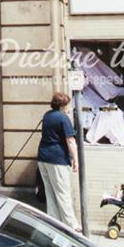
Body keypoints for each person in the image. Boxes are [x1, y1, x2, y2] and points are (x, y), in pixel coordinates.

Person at [36, 92, 80, 232]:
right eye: (67, 104)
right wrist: (76, 160)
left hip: (43, 158)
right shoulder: (63, 118)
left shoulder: (47, 115)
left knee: (50, 193)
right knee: (63, 193)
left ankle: (53, 222)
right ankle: (72, 226)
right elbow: (70, 141)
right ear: (63, 105)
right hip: (57, 159)